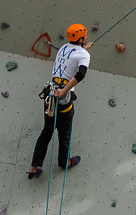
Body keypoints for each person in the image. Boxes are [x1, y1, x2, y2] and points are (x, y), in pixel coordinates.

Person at [28, 23, 92, 178]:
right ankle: (64, 163)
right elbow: (80, 74)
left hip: (49, 93)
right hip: (63, 97)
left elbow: (72, 57)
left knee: (47, 130)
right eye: (85, 36)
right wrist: (64, 90)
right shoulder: (84, 55)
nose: (87, 37)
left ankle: (34, 167)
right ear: (81, 38)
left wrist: (85, 49)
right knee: (64, 132)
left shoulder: (63, 48)